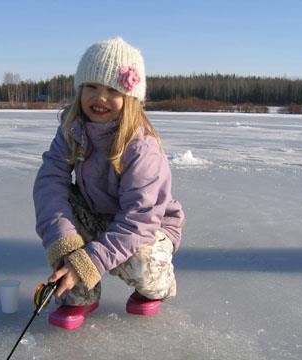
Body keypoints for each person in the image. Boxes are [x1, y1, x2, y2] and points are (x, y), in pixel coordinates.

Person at [33, 37, 185, 330]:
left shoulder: (142, 147)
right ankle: (79, 294)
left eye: (113, 90)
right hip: (95, 214)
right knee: (63, 230)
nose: (100, 97)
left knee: (140, 259)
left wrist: (90, 261)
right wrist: (62, 240)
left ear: (130, 97)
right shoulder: (71, 129)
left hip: (146, 228)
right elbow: (50, 182)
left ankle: (158, 283)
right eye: (92, 86)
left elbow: (138, 220)